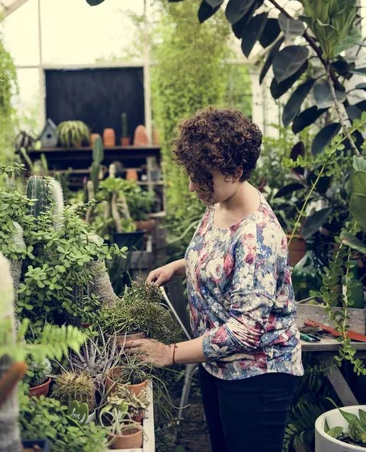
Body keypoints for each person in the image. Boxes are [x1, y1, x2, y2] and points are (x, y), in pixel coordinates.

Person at [124, 107, 304, 452]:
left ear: (235, 172)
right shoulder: (221, 202)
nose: (192, 186)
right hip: (217, 362)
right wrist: (181, 266)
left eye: (201, 178)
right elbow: (220, 254)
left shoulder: (259, 236)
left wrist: (169, 353)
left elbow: (245, 330)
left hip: (257, 375)